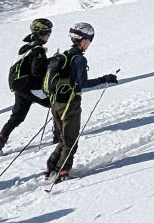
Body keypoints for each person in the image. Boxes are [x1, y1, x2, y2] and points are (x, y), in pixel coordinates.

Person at [42, 22, 117, 183]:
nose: (88, 44)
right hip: (70, 105)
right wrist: (105, 79)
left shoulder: (64, 55)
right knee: (71, 140)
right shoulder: (79, 60)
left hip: (56, 104)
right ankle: (63, 171)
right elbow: (83, 83)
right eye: (88, 41)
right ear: (83, 40)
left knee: (63, 138)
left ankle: (51, 167)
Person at [0, 18, 55, 157]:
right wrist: (53, 62)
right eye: (48, 32)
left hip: (20, 86)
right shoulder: (38, 49)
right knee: (55, 103)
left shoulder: (27, 46)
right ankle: (59, 135)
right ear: (41, 32)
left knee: (17, 116)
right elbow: (37, 71)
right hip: (31, 87)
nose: (49, 35)